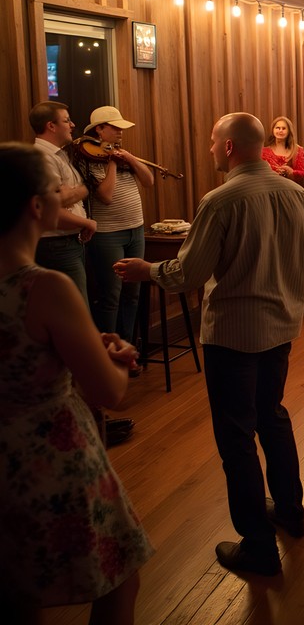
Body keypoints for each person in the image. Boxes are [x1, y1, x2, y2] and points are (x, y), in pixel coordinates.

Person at [114, 113, 304, 576]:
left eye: (213, 140)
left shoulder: (220, 201)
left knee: (236, 437)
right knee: (272, 418)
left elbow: (188, 273)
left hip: (232, 334)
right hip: (281, 328)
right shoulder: (295, 193)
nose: (210, 147)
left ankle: (258, 546)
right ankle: (290, 513)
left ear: (229, 147)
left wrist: (146, 270)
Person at [0, 143, 152, 624]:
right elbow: (107, 392)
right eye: (56, 193)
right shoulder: (43, 287)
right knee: (120, 574)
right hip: (48, 456)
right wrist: (118, 357)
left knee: (18, 590)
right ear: (38, 207)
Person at [75, 106, 154, 342]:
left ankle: (128, 346)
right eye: (115, 128)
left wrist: (129, 158)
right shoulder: (88, 159)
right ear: (99, 129)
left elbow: (148, 181)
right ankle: (110, 351)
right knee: (111, 295)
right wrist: (111, 163)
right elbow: (106, 196)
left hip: (135, 229)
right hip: (108, 234)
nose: (120, 132)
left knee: (132, 293)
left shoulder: (122, 155)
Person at [29, 101, 96, 299]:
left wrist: (72, 193)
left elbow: (74, 194)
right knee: (76, 309)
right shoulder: (43, 156)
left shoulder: (60, 155)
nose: (73, 125)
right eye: (66, 120)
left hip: (68, 241)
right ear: (51, 126)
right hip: (56, 245)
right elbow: (49, 208)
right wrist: (87, 221)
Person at [261, 115, 304, 183]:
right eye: (277, 128)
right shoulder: (264, 152)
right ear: (273, 130)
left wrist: (291, 172)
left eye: (283, 128)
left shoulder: (298, 150)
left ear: (289, 131)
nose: (280, 130)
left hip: (291, 188)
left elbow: (303, 174)